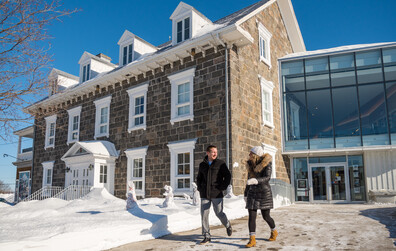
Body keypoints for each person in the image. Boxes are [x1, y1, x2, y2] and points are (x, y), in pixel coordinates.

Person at [196, 145, 232, 245]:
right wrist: (200, 188)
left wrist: (223, 187)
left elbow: (228, 176)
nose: (215, 153)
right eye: (213, 152)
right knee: (204, 215)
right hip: (204, 194)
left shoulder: (221, 163)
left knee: (219, 213)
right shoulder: (202, 165)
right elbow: (199, 178)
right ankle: (206, 235)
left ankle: (228, 225)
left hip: (217, 194)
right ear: (207, 153)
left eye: (216, 152)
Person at [244, 146, 278, 248]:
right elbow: (248, 180)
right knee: (252, 217)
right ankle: (252, 240)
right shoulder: (250, 165)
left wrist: (256, 181)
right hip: (252, 193)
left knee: (266, 216)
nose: (249, 155)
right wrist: (246, 193)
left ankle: (274, 231)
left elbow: (267, 178)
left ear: (255, 155)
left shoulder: (266, 164)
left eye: (251, 153)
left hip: (264, 193)